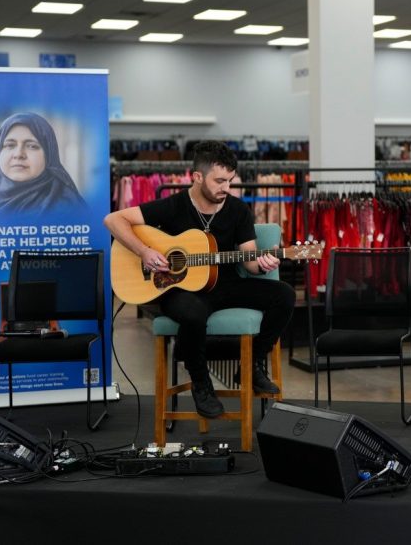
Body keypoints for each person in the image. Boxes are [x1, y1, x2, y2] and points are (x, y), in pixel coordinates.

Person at [104, 141, 296, 418]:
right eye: (219, 181)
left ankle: (251, 364)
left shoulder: (238, 210)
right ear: (196, 177)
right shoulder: (174, 205)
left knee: (285, 295)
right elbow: (113, 219)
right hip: (179, 290)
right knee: (193, 313)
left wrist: (264, 264)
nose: (226, 188)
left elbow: (250, 262)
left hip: (226, 286)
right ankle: (201, 383)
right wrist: (144, 251)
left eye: (230, 180)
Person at [0, 112, 87, 213]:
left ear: (49, 154)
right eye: (10, 145)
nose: (19, 154)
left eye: (32, 146)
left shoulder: (68, 206)